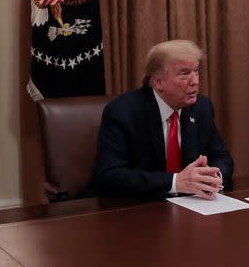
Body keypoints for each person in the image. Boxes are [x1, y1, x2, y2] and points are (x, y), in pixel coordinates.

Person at [91, 40, 233, 199]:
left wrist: (214, 176)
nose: (195, 81)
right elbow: (111, 175)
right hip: (137, 209)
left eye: (196, 71)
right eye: (185, 74)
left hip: (192, 207)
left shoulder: (202, 107)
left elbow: (222, 157)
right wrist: (174, 182)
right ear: (158, 82)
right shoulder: (122, 112)